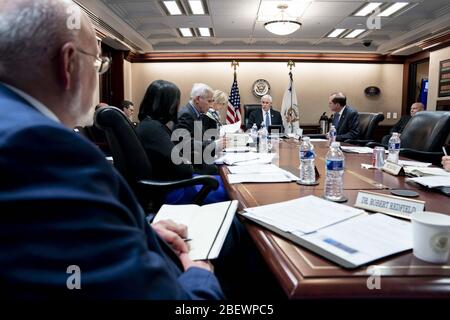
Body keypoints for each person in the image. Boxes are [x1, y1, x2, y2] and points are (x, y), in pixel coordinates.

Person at [0, 0, 223, 299]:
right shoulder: (40, 145)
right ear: (68, 64)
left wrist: (142, 230)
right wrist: (201, 278)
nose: (99, 74)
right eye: (98, 64)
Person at [135, 80, 228, 204]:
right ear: (166, 104)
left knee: (226, 182)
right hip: (172, 189)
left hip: (172, 183)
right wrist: (187, 161)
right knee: (230, 192)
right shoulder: (153, 129)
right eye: (175, 102)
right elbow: (183, 168)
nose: (177, 107)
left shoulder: (150, 125)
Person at [175, 83, 223, 175]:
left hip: (200, 159)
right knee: (225, 173)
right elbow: (185, 145)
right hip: (193, 166)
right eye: (209, 101)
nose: (211, 105)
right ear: (197, 99)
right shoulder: (186, 115)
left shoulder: (195, 113)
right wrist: (214, 145)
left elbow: (199, 138)